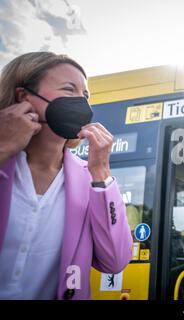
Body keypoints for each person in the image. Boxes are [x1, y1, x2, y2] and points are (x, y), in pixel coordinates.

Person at [0, 52, 133, 300]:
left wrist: (101, 173)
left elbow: (114, 261)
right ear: (23, 97)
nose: (81, 103)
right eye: (69, 89)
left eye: (85, 96)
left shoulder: (88, 180)